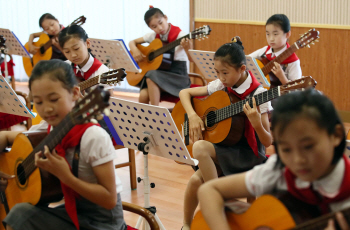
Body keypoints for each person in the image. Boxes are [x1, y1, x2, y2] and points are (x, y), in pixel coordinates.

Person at [197, 89, 349, 230]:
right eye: (286, 149)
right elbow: (209, 190)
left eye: (308, 146)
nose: (297, 160)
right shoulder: (280, 171)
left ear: (336, 135)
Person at [1, 60, 126, 230]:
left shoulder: (93, 137)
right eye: (38, 102)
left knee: (20, 216)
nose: (47, 109)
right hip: (73, 210)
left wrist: (66, 177)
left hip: (103, 222)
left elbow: (109, 199)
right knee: (19, 214)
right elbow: (8, 136)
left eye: (53, 99)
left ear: (75, 93)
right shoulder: (52, 126)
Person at [180, 37, 272, 230]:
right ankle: (186, 226)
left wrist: (256, 123)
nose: (220, 77)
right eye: (217, 72)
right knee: (195, 181)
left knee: (199, 155)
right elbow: (184, 93)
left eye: (225, 72)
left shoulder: (258, 94)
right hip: (225, 146)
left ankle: (217, 202)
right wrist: (193, 116)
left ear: (242, 69)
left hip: (247, 153)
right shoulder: (221, 85)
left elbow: (268, 141)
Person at [129, 6, 193, 106]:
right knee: (143, 95)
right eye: (154, 27)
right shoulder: (153, 36)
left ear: (165, 18)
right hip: (160, 73)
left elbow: (191, 59)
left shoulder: (180, 35)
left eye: (160, 23)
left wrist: (187, 48)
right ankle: (146, 120)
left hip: (177, 77)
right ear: (150, 27)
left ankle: (156, 114)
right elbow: (132, 42)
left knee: (150, 76)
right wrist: (135, 51)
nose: (159, 28)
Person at [249, 14, 302, 86]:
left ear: (287, 34)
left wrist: (282, 77)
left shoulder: (293, 62)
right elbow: (246, 60)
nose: (271, 39)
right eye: (268, 34)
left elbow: (296, 90)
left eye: (275, 34)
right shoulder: (264, 51)